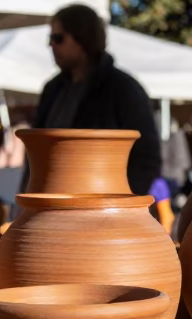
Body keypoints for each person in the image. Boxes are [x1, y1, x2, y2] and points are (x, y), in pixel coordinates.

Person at [34, 3, 160, 195]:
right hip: (52, 205)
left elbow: (146, 157)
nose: (51, 45)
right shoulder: (52, 89)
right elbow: (36, 152)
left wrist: (121, 207)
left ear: (82, 39)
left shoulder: (123, 88)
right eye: (50, 38)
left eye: (57, 38)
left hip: (104, 209)